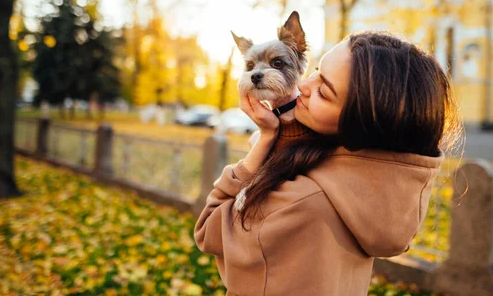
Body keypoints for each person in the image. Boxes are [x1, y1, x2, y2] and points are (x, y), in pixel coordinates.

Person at [194, 31, 462, 296]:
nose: (303, 86)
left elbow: (209, 230)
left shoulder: (301, 199)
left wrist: (264, 140)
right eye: (317, 70)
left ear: (359, 121)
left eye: (323, 90)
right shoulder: (380, 182)